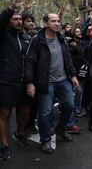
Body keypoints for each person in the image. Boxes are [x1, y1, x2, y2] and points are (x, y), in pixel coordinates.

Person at [25, 13, 79, 154]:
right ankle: (45, 140)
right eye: (53, 21)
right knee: (45, 112)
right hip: (45, 83)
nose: (57, 23)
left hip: (63, 80)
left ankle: (60, 130)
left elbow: (67, 58)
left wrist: (73, 75)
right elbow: (29, 61)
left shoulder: (61, 38)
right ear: (45, 24)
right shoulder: (37, 40)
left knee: (69, 106)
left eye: (58, 21)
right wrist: (30, 82)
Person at [0, 0, 33, 160]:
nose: (19, 21)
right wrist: (11, 8)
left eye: (21, 19)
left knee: (25, 110)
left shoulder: (25, 37)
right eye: (15, 19)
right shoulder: (3, 35)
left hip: (24, 81)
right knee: (5, 112)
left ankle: (19, 134)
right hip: (7, 81)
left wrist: (30, 81)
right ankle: (4, 146)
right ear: (8, 21)